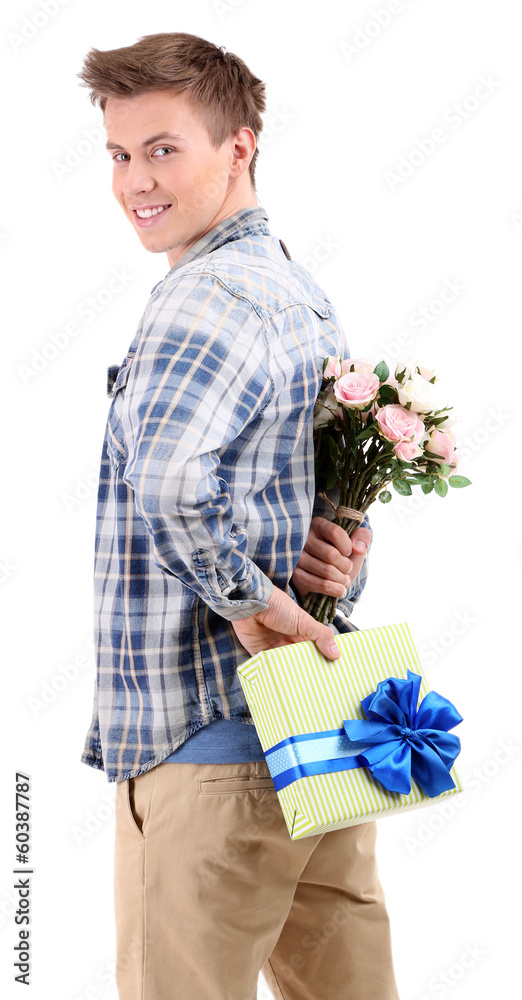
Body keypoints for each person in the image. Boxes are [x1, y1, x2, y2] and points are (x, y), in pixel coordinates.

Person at [77, 32, 399, 1000]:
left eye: (165, 148)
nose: (137, 179)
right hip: (323, 723)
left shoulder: (205, 296)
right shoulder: (298, 293)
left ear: (239, 146)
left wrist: (248, 603)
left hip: (205, 744)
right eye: (120, 154)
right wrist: (332, 560)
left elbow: (171, 483)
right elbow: (330, 497)